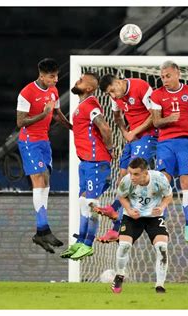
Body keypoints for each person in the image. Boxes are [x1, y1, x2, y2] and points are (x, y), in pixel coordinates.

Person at [150, 60, 188, 242]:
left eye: (168, 76)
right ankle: (161, 224)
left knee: (186, 183)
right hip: (165, 143)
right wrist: (169, 118)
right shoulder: (157, 95)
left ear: (178, 73)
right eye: (162, 77)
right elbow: (156, 122)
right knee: (164, 183)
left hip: (186, 142)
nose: (165, 80)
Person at [16, 58, 72, 253]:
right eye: (51, 76)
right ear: (41, 75)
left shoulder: (53, 91)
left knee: (46, 181)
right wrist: (43, 113)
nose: (55, 80)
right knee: (39, 179)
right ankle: (43, 228)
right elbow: (20, 122)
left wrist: (72, 127)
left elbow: (56, 113)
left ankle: (41, 231)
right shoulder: (27, 92)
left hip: (43, 141)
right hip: (29, 141)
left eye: (56, 76)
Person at [95, 74, 157, 243]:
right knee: (122, 177)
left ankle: (117, 228)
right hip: (133, 137)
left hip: (148, 136)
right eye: (109, 93)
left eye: (113, 90)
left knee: (132, 179)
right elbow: (117, 117)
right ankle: (114, 208)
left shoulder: (140, 86)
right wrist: (125, 133)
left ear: (118, 82)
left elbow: (155, 115)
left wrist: (133, 132)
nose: (113, 96)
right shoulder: (115, 96)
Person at [60, 72, 113, 260]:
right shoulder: (81, 107)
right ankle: (80, 241)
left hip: (96, 162)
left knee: (91, 203)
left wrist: (109, 148)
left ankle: (88, 244)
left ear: (89, 88)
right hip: (86, 162)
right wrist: (61, 119)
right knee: (83, 202)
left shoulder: (91, 105)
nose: (77, 81)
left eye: (81, 81)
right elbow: (81, 130)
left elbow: (105, 128)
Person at [111, 158, 172, 294]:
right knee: (124, 246)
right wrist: (129, 209)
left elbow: (169, 195)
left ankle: (160, 285)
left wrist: (162, 207)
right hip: (133, 217)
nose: (132, 177)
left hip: (154, 217)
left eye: (136, 174)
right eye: (131, 173)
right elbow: (121, 196)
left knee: (162, 248)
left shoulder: (159, 179)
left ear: (146, 173)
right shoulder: (126, 180)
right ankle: (120, 274)